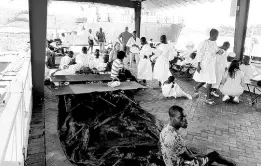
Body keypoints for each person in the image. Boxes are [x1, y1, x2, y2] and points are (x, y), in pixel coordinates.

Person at [160, 105, 236, 166]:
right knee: (214, 155)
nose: (185, 120)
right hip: (181, 163)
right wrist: (200, 155)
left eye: (184, 117)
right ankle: (231, 163)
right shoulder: (175, 138)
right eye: (180, 118)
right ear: (171, 118)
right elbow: (189, 157)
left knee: (193, 151)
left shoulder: (165, 129)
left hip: (169, 162)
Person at [193, 29, 224, 105]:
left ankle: (196, 88)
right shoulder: (204, 43)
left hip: (211, 65)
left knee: (205, 79)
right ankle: (208, 98)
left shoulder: (214, 43)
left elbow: (216, 51)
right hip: (205, 65)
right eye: (217, 35)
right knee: (209, 81)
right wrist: (198, 65)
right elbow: (199, 54)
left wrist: (220, 51)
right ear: (213, 35)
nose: (217, 37)